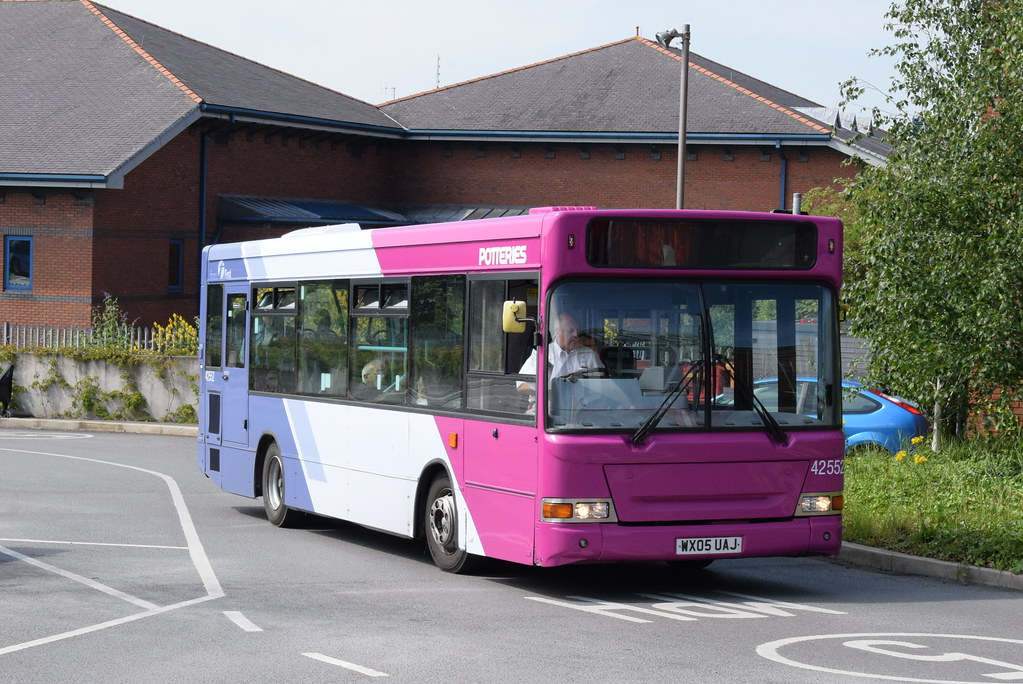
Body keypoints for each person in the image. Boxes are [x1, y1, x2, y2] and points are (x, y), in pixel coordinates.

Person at [518, 313, 604, 407]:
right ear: (558, 332)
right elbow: (521, 386)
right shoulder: (543, 352)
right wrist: (553, 388)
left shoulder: (588, 354)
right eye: (571, 331)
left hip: (583, 408)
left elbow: (602, 385)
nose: (576, 334)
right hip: (547, 409)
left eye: (577, 330)